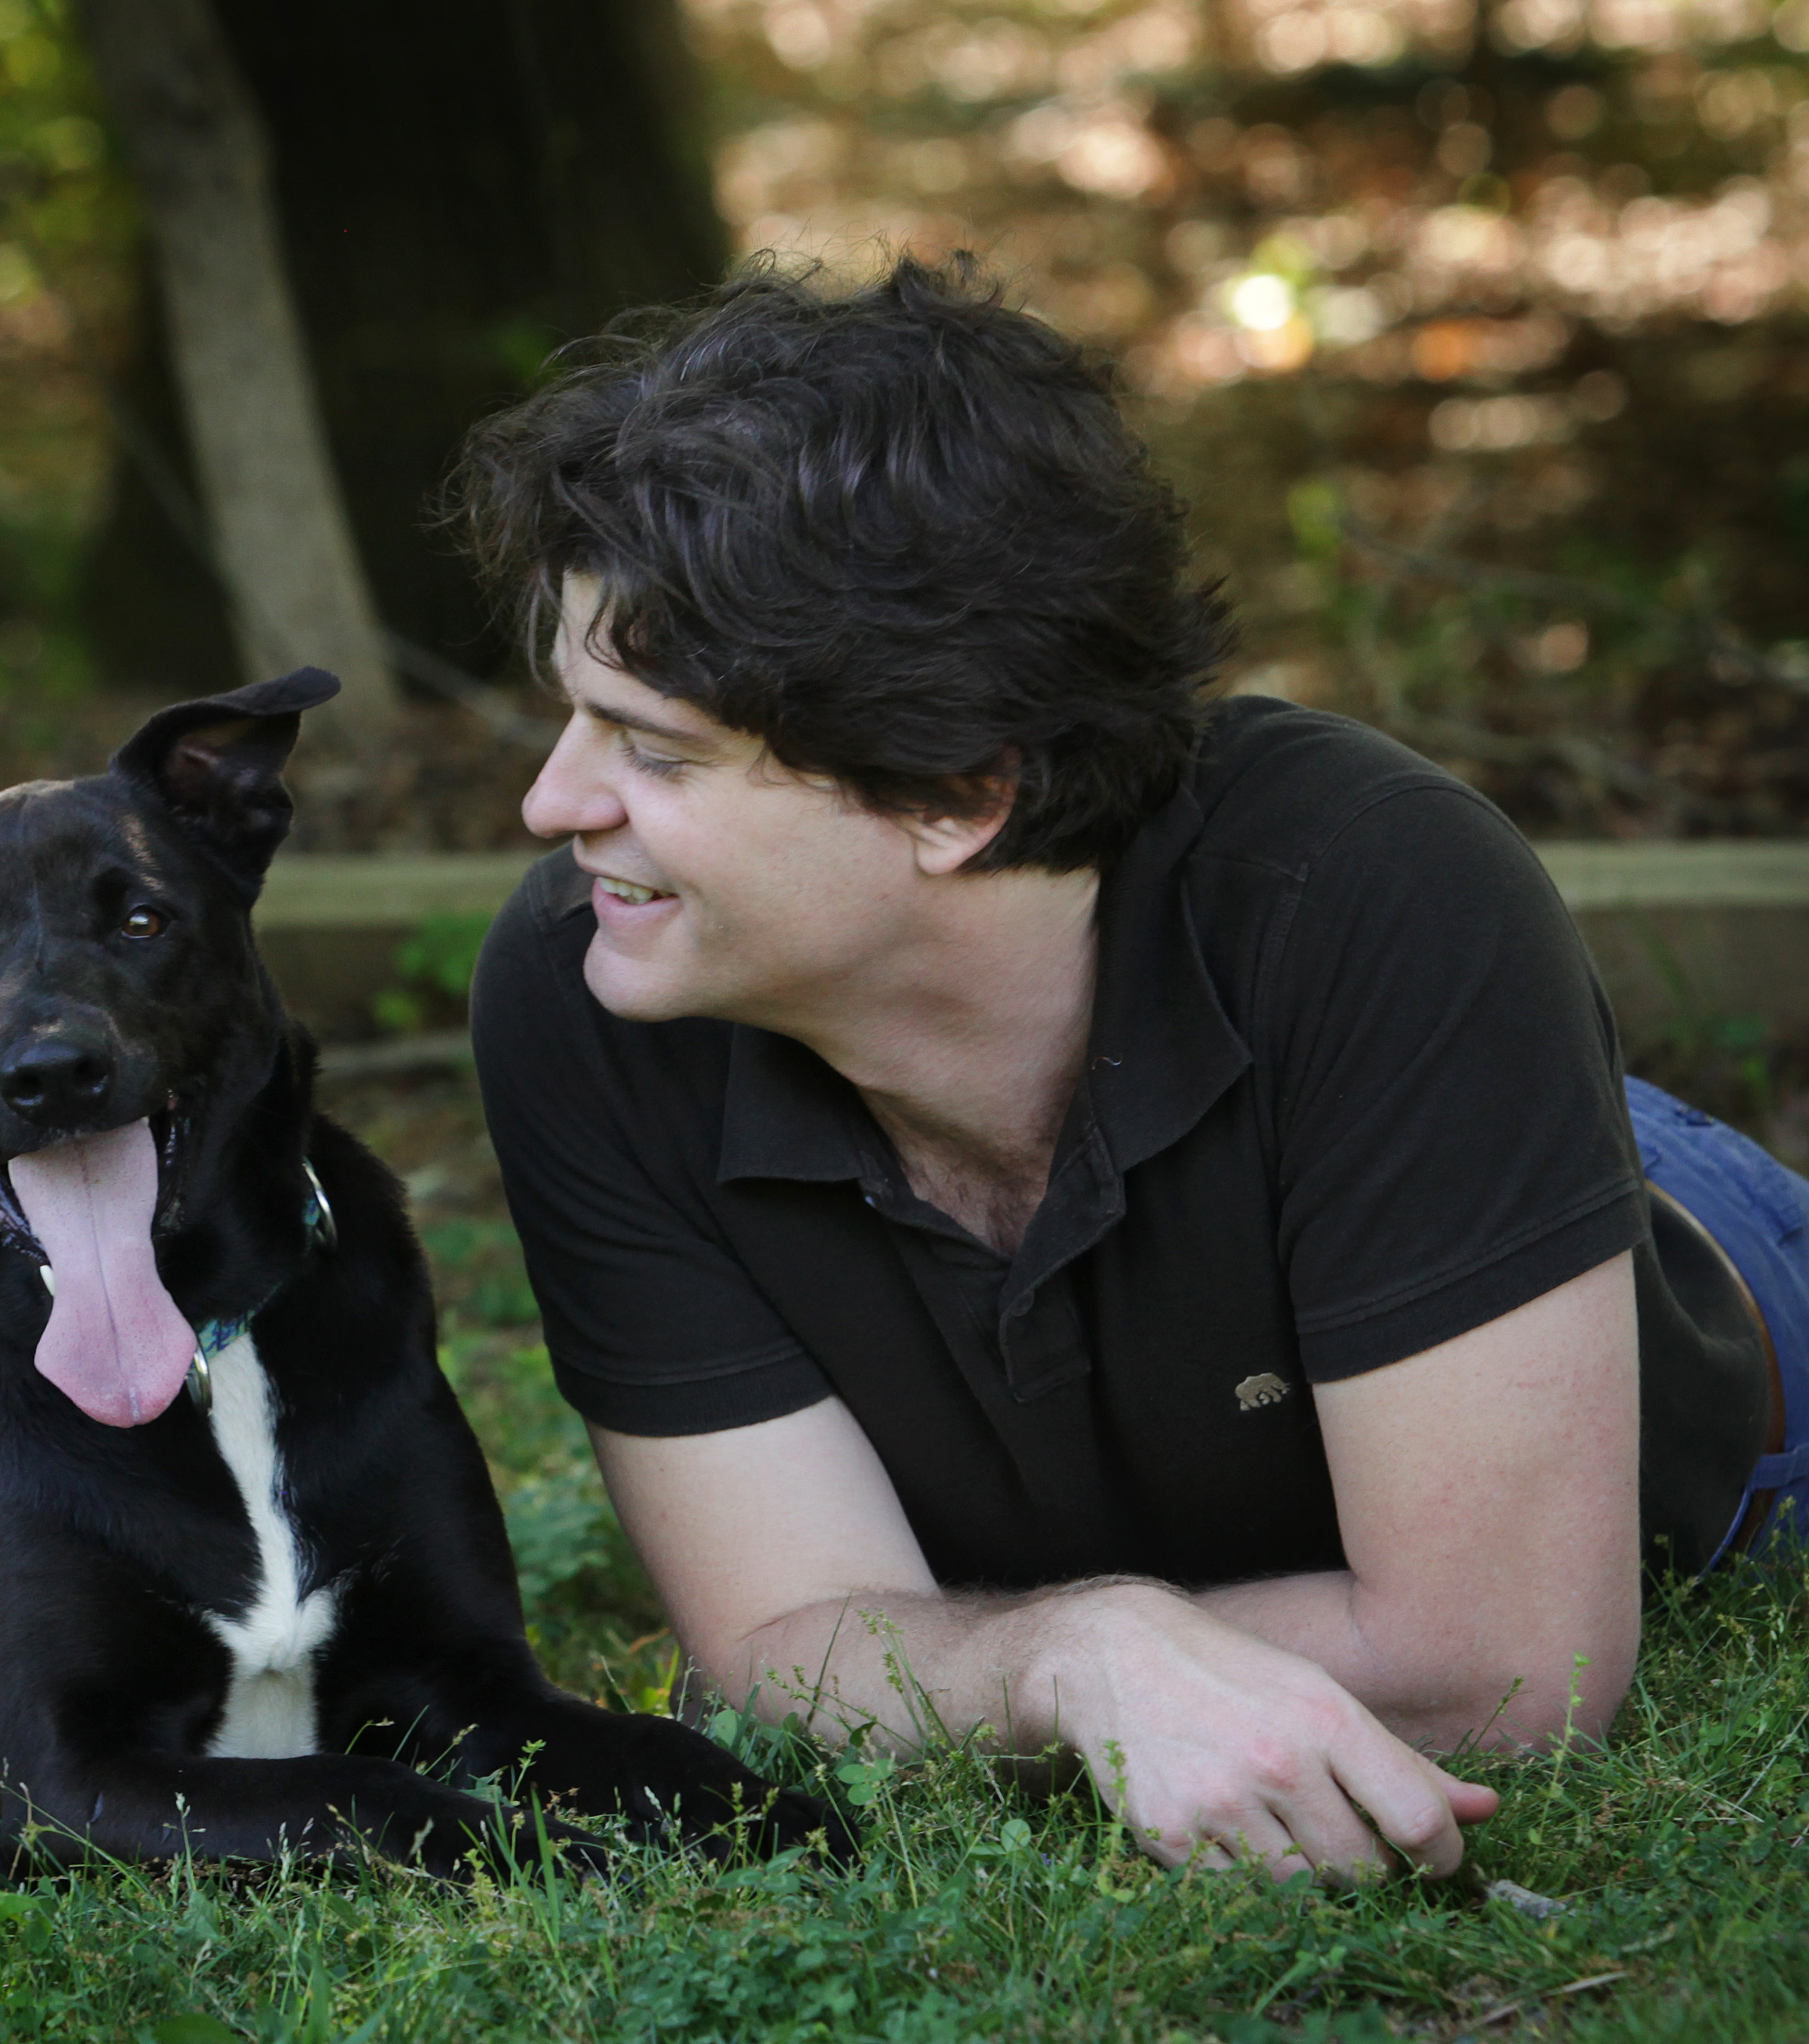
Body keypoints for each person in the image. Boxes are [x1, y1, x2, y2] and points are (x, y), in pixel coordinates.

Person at [449, 255, 1807, 1885]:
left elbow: (1501, 1674)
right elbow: (778, 1651)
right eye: (574, 718)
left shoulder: (1374, 890)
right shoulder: (589, 983)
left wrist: (942, 1656)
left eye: (655, 750)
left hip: (1650, 1253)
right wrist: (1072, 1654)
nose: (551, 805)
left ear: (957, 794)